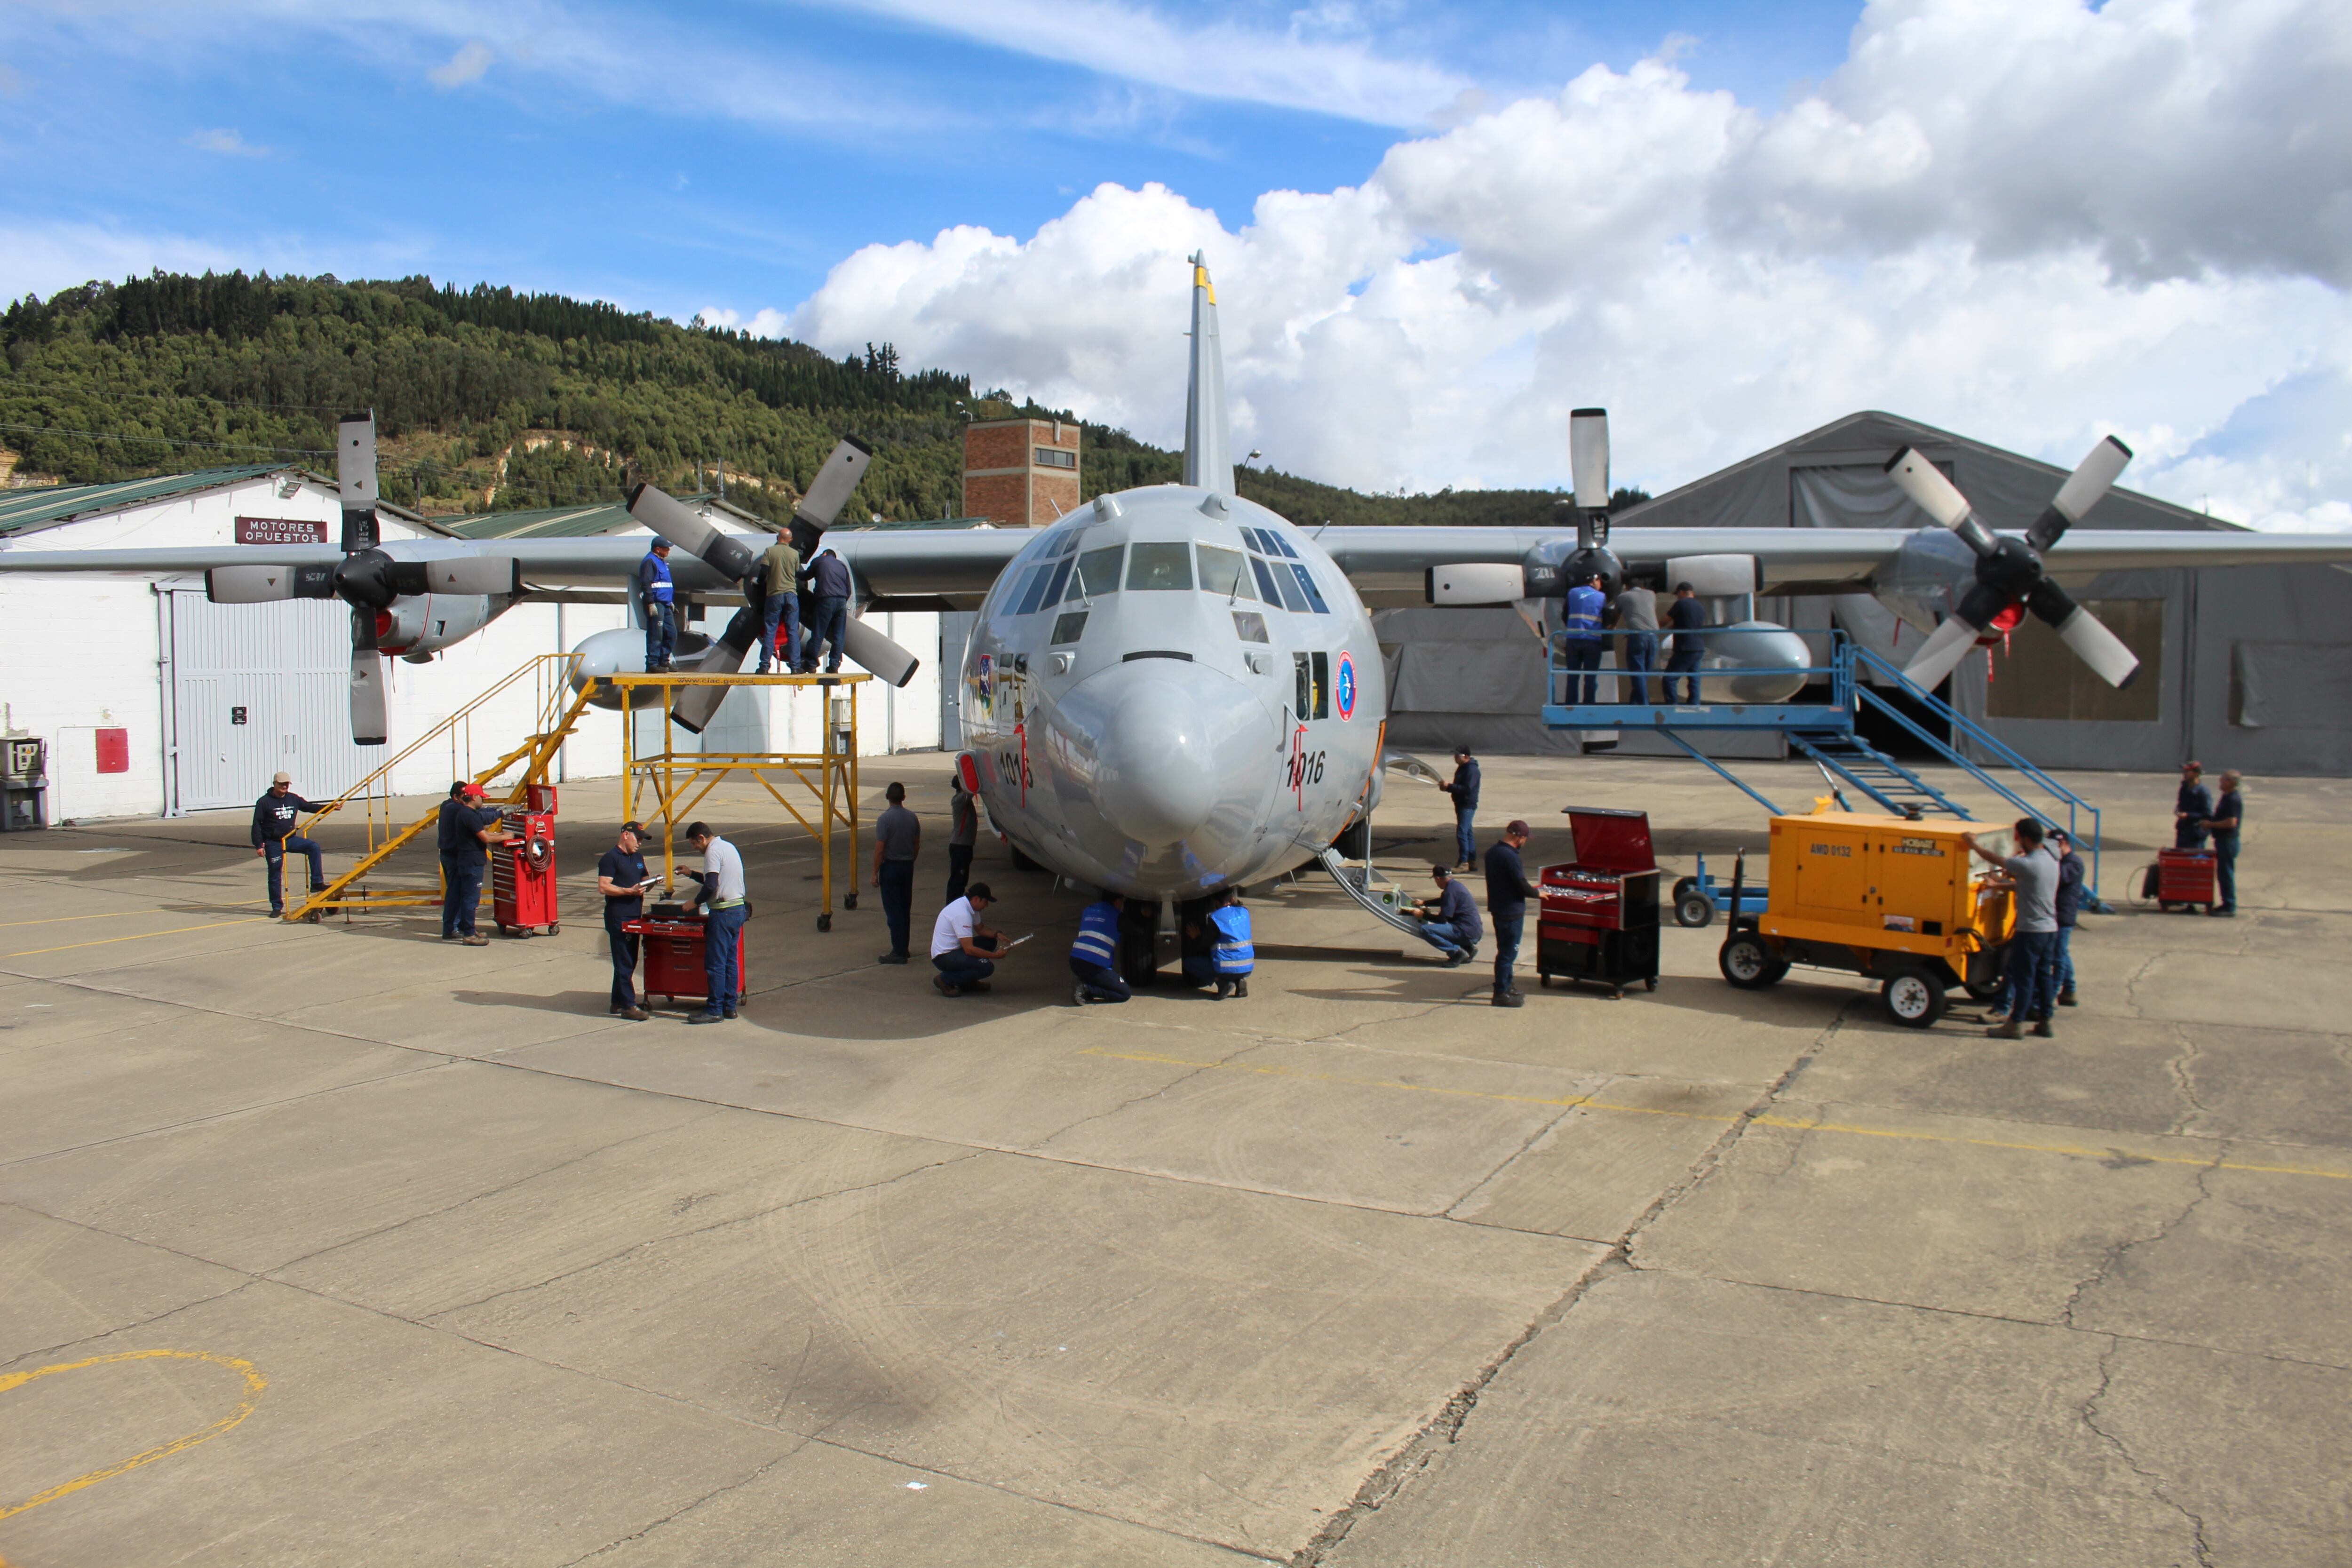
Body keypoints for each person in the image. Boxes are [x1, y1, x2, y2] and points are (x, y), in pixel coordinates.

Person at [1967, 819, 2059, 1040]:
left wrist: (1974, 846)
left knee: (2023, 977)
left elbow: (1998, 860)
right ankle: (2046, 1021)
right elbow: (2028, 884)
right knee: (2044, 975)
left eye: (2018, 839)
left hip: (2031, 931)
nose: (2017, 844)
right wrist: (2000, 885)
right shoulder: (2050, 859)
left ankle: (2015, 1023)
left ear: (2026, 840)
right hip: (2050, 929)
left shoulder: (2028, 863)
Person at [681, 820, 747, 1024]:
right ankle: (730, 1007)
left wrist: (694, 902)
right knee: (730, 960)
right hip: (738, 909)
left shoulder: (712, 851)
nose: (695, 848)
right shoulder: (728, 847)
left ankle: (714, 1010)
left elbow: (711, 886)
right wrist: (691, 874)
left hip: (722, 912)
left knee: (715, 964)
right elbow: (718, 881)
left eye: (694, 844)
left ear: (702, 838)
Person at [251, 770, 328, 918]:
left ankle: (317, 882)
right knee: (275, 872)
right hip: (273, 842)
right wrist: (259, 845)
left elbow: (309, 807)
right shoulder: (264, 802)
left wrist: (330, 807)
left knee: (313, 847)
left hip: (290, 839)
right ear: (275, 784)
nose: (285, 787)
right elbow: (257, 824)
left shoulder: (293, 799)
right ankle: (276, 906)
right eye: (282, 784)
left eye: (287, 784)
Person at [597, 821, 653, 1020]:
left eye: (642, 840)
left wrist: (651, 882)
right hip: (619, 917)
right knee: (623, 961)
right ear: (626, 835)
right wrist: (627, 891)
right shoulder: (610, 859)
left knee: (630, 960)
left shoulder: (638, 857)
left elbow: (643, 877)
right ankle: (629, 1006)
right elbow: (604, 887)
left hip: (635, 916)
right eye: (638, 839)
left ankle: (618, 1001)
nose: (640, 843)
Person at [436, 780, 500, 945]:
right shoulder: (459, 810)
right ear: (457, 797)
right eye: (463, 796)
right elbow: (481, 816)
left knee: (455, 894)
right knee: (463, 896)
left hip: (450, 855)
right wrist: (500, 813)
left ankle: (456, 927)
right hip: (456, 857)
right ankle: (462, 929)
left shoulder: (447, 806)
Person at [1485, 819, 1536, 1007]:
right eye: (1525, 838)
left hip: (1498, 909)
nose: (1525, 842)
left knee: (1505, 951)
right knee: (1508, 954)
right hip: (1511, 911)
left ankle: (1508, 985)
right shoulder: (1511, 857)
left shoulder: (1492, 852)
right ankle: (1501, 993)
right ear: (1519, 837)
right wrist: (1539, 893)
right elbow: (1521, 884)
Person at [872, 780, 920, 963]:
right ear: (904, 798)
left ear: (887, 798)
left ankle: (898, 951)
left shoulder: (884, 820)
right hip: (907, 867)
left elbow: (880, 849)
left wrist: (875, 872)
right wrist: (910, 860)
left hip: (891, 867)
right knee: (904, 908)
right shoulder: (912, 818)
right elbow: (916, 845)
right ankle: (904, 947)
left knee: (893, 911)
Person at [930, 882, 1002, 996]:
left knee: (990, 941)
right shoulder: (962, 914)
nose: (987, 905)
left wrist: (998, 934)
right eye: (985, 901)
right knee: (987, 967)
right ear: (976, 899)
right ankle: (945, 980)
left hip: (956, 950)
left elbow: (981, 929)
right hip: (944, 957)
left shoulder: (970, 907)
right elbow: (969, 949)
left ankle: (968, 982)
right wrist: (996, 956)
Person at [1408, 864, 1483, 968]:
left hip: (1465, 931)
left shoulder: (1449, 892)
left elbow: (1442, 920)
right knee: (1450, 926)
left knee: (1426, 930)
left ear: (1438, 878)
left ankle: (1457, 953)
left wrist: (1423, 915)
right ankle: (1468, 948)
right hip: (1475, 931)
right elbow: (1444, 901)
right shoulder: (1456, 886)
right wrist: (1424, 903)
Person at [1070, 888, 1131, 1005]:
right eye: (1123, 902)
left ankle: (1085, 985)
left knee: (1098, 978)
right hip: (1095, 966)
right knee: (1124, 993)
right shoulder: (1118, 916)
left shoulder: (1088, 910)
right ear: (1118, 902)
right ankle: (1085, 989)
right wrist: (1144, 916)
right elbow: (1138, 931)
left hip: (1075, 962)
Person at [753, 531, 801, 675]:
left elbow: (763, 573)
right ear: (791, 540)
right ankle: (795, 667)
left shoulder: (770, 551)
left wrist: (758, 582)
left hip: (774, 595)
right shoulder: (795, 554)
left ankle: (764, 666)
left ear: (777, 538)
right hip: (791, 596)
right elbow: (798, 572)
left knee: (770, 631)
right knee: (792, 631)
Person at [802, 546, 852, 674]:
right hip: (842, 602)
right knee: (839, 635)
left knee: (819, 632)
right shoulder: (842, 566)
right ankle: (834, 666)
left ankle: (811, 664)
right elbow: (849, 589)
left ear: (824, 554)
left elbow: (805, 576)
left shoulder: (820, 561)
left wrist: (792, 573)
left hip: (826, 600)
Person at [2051, 827, 2086, 1007]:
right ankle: (2069, 989)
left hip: (2063, 915)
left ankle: (2052, 994)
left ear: (2063, 844)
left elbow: (2058, 878)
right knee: (2062, 953)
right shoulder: (2063, 861)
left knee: (2058, 956)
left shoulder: (2073, 863)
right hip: (2057, 913)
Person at [1561, 572, 1606, 704]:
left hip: (1573, 640)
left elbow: (1565, 615)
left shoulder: (1572, 593)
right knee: (1591, 677)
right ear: (1594, 581)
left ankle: (1571, 704)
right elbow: (1607, 616)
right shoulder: (1601, 597)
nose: (1601, 585)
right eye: (1599, 582)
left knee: (1573, 676)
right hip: (1592, 641)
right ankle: (1589, 703)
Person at [1613, 579, 1659, 704]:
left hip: (1638, 637)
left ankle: (1644, 704)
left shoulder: (1623, 596)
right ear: (1642, 586)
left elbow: (1616, 616)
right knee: (1644, 674)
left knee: (1637, 673)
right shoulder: (1651, 594)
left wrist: (1611, 627)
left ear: (1627, 587)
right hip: (1654, 637)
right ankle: (1634, 702)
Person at [1439, 746, 1480, 872]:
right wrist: (1448, 788)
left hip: (1467, 804)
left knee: (1462, 832)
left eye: (1458, 756)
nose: (1455, 758)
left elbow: (1467, 789)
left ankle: (1464, 862)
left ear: (1466, 757)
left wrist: (1450, 787)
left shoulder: (1471, 770)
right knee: (1468, 832)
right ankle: (1471, 861)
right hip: (1462, 803)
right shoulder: (1464, 768)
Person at [2208, 770, 2243, 917]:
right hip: (2222, 841)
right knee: (2222, 874)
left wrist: (2212, 824)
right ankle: (2226, 903)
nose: (2220, 783)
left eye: (2223, 781)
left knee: (2226, 873)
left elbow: (2231, 822)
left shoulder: (2233, 800)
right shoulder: (2226, 797)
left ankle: (2230, 906)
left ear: (2231, 782)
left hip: (2228, 842)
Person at [640, 537, 677, 673]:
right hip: (656, 603)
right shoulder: (650, 561)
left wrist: (670, 601)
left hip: (665, 603)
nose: (669, 551)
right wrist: (650, 603)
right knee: (656, 634)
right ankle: (653, 664)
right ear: (658, 549)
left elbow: (664, 584)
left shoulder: (662, 562)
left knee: (672, 633)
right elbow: (646, 584)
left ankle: (664, 661)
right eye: (666, 548)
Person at [1664, 582, 1705, 702]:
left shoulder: (1681, 604)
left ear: (1682, 592)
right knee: (1694, 680)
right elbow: (1690, 623)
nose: (1677, 597)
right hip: (1699, 647)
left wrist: (1655, 629)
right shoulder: (1700, 606)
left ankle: (1672, 706)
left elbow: (1665, 620)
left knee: (1669, 679)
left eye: (1677, 594)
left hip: (1685, 648)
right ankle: (1694, 705)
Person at [946, 774, 979, 904]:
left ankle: (955, 903)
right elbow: (972, 790)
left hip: (964, 845)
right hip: (960, 846)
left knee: (962, 878)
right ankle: (952, 904)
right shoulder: (960, 799)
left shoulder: (963, 799)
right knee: (958, 879)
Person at [2173, 761, 2212, 850]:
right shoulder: (2184, 788)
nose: (2184, 774)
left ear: (2196, 774)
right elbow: (2181, 803)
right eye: (2184, 771)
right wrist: (2178, 809)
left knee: (2193, 860)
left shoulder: (2203, 792)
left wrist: (2188, 815)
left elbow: (2208, 814)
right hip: (2183, 831)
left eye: (2188, 771)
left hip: (2195, 833)